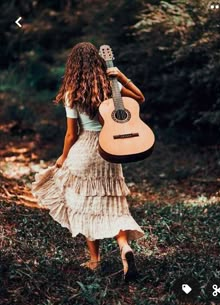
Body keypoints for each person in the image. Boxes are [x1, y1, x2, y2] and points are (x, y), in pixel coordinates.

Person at [32, 42, 145, 282]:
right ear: (98, 61)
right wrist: (121, 76)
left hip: (84, 151)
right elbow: (140, 98)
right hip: (109, 150)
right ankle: (124, 248)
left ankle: (95, 260)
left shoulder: (72, 92)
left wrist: (63, 157)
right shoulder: (109, 86)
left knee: (84, 205)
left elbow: (72, 134)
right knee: (115, 204)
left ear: (72, 66)